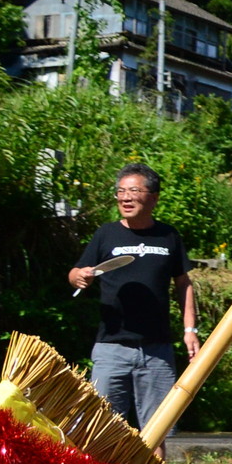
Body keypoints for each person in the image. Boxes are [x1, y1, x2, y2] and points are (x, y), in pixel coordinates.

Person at [68, 163, 199, 440]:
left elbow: (183, 284)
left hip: (157, 351)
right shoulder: (106, 234)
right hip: (111, 348)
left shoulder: (169, 236)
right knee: (100, 429)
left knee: (157, 430)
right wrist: (78, 276)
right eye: (120, 191)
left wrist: (190, 330)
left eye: (134, 191)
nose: (125, 197)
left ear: (153, 197)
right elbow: (76, 271)